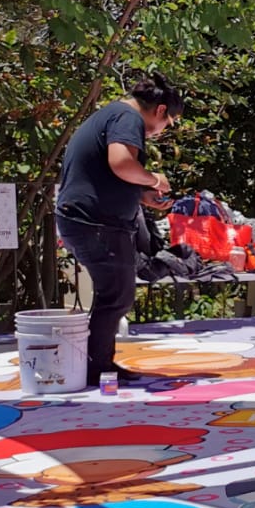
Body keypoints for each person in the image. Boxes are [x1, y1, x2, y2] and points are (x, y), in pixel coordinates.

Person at [55, 74, 182, 386]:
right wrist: (154, 179)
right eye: (169, 123)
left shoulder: (113, 114)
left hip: (87, 220)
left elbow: (106, 174)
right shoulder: (128, 117)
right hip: (95, 224)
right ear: (160, 110)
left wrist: (142, 195)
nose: (162, 131)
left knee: (113, 294)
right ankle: (95, 369)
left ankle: (97, 364)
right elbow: (122, 163)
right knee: (117, 296)